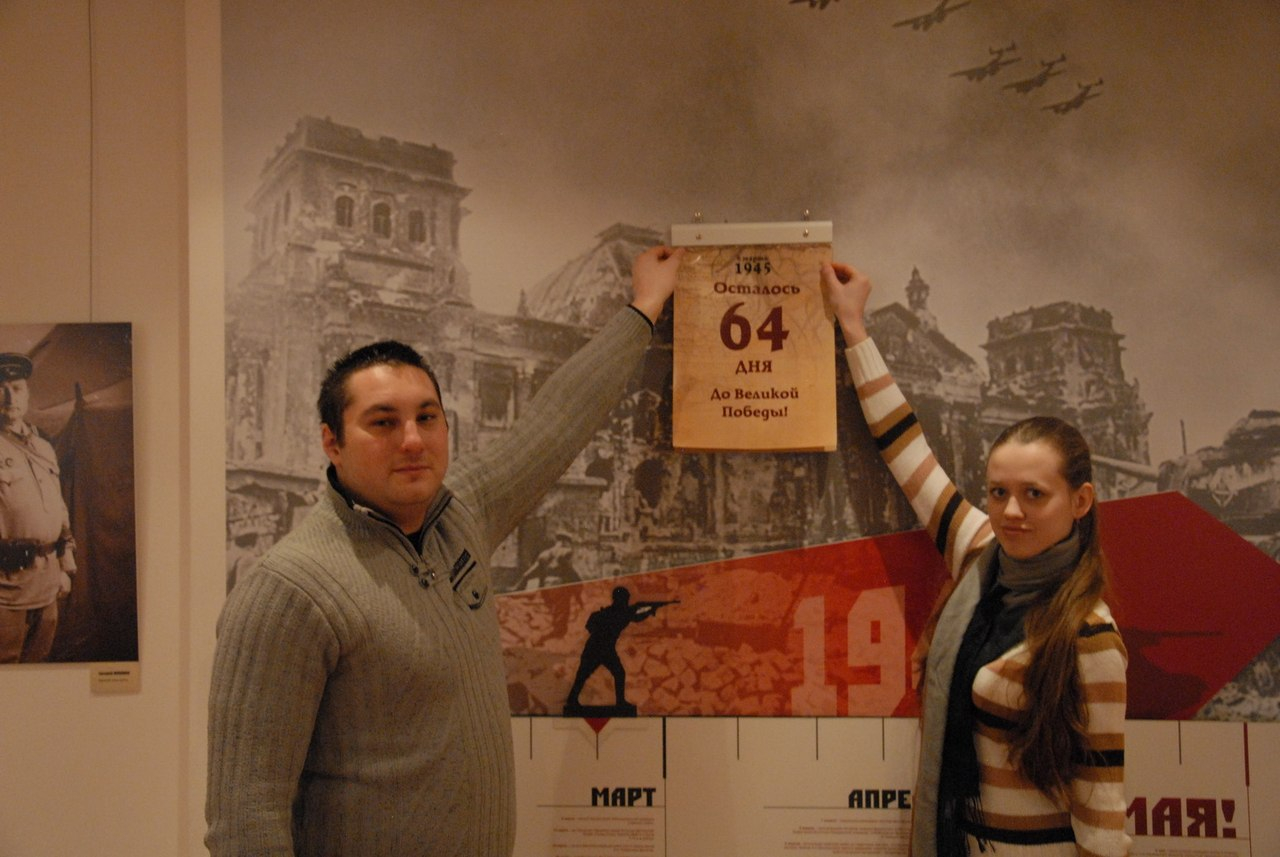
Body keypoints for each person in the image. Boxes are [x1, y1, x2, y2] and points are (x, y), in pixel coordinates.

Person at [205, 245, 683, 857]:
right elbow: (245, 825)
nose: (412, 440)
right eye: (383, 422)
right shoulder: (288, 591)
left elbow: (557, 420)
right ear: (332, 441)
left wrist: (644, 306)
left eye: (427, 418)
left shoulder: (462, 516)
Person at [821, 262, 1130, 857]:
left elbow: (1102, 816)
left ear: (1080, 501)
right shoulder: (982, 552)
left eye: (1034, 494)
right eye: (997, 492)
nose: (1011, 511)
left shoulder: (1090, 638)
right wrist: (854, 327)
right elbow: (907, 450)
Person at [0, 352, 77, 664]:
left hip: (47, 585)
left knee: (38, 670)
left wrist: (65, 563)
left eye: (17, 388)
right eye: (1, 389)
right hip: (6, 590)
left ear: (27, 394)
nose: (10, 397)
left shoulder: (43, 447)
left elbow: (59, 508)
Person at [563, 585, 674, 712]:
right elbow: (634, 617)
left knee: (616, 673)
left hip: (604, 648)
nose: (627, 601)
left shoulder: (614, 613)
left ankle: (618, 701)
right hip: (596, 648)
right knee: (584, 675)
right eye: (625, 598)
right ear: (620, 599)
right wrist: (649, 610)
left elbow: (635, 617)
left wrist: (649, 610)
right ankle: (574, 700)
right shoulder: (617, 613)